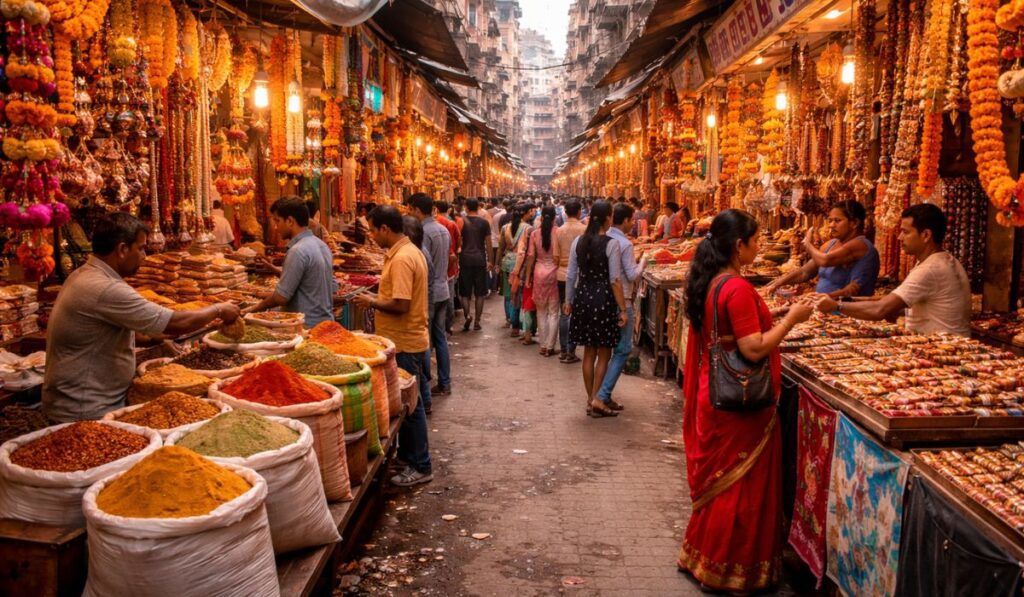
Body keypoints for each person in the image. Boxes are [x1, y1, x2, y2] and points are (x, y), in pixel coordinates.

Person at [677, 209, 814, 592]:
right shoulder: (736, 288)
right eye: (756, 241)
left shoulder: (714, 282)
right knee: (739, 486)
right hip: (739, 403)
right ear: (740, 246)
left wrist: (775, 315)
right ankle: (730, 568)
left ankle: (704, 559)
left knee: (723, 484)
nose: (759, 246)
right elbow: (753, 348)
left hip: (715, 393)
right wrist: (791, 321)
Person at [44, 213, 241, 422]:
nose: (145, 256)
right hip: (86, 408)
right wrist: (219, 309)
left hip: (89, 399)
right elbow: (176, 323)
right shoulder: (105, 288)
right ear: (122, 249)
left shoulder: (84, 274)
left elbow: (101, 330)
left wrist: (152, 338)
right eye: (140, 248)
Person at [353, 206, 432, 486]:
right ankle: (411, 457)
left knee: (411, 407)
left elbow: (401, 305)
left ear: (385, 228)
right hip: (409, 339)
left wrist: (371, 301)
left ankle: (420, 465)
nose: (372, 236)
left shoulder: (402, 259)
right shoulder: (407, 252)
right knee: (412, 403)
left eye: (373, 230)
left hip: (405, 342)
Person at [814, 203, 971, 336]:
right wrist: (839, 300)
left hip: (941, 350)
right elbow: (891, 303)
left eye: (906, 232)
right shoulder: (943, 260)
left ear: (926, 235)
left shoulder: (931, 269)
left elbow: (880, 309)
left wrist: (836, 306)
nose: (899, 238)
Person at [564, 201, 628, 418]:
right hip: (603, 299)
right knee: (604, 352)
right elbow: (615, 280)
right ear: (608, 218)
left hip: (583, 297)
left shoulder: (577, 243)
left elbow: (571, 274)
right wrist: (623, 309)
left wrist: (568, 300)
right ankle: (597, 399)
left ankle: (590, 399)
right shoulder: (611, 244)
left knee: (588, 352)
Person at [764, 200, 880, 299]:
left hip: (848, 310)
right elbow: (805, 272)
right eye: (830, 220)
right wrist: (777, 283)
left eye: (837, 221)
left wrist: (808, 244)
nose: (831, 225)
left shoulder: (860, 244)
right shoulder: (830, 244)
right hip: (825, 307)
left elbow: (825, 261)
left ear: (854, 223)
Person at [253, 196, 337, 327]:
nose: (276, 227)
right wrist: (270, 267)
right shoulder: (322, 246)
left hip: (306, 326)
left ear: (290, 221)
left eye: (277, 221)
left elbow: (281, 297)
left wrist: (254, 309)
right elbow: (328, 286)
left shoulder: (297, 250)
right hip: (325, 323)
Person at [595, 203, 648, 408]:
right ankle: (602, 395)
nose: (632, 223)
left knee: (605, 349)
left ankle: (600, 395)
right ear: (625, 220)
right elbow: (631, 274)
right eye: (631, 219)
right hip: (621, 300)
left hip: (603, 300)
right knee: (623, 349)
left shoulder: (603, 238)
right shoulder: (624, 244)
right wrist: (643, 261)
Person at [408, 193, 452, 399]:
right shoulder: (443, 229)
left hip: (430, 292)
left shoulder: (423, 232)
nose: (409, 213)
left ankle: (425, 387)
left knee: (423, 339)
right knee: (440, 338)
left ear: (417, 210)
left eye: (410, 210)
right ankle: (445, 381)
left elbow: (425, 264)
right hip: (444, 288)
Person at [525, 205, 560, 356]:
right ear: (554, 218)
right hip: (554, 272)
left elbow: (531, 256)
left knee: (541, 312)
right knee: (553, 312)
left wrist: (527, 277)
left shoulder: (535, 234)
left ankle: (543, 345)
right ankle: (550, 346)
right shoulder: (558, 232)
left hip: (538, 273)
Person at [556, 200, 586, 364]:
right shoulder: (584, 230)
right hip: (580, 276)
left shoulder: (559, 231)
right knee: (576, 313)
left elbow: (555, 256)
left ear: (566, 212)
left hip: (561, 274)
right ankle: (571, 350)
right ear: (579, 212)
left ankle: (563, 349)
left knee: (564, 311)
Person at [459, 198, 492, 331]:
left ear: (466, 207)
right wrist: (491, 260)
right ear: (478, 207)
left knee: (464, 293)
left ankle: (468, 315)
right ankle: (477, 321)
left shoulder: (461, 222)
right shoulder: (484, 223)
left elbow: (459, 242)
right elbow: (488, 243)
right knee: (480, 293)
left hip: (465, 259)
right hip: (480, 259)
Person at [510, 203, 539, 344]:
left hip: (522, 270)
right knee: (531, 301)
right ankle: (530, 330)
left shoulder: (507, 227)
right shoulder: (529, 230)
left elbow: (521, 254)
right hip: (534, 270)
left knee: (522, 300)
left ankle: (521, 328)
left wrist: (516, 271)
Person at [498, 205, 529, 334]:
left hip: (507, 262)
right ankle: (519, 322)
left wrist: (497, 263)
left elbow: (501, 247)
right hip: (521, 265)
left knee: (507, 293)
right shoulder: (527, 228)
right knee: (519, 294)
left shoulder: (505, 228)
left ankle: (509, 318)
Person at [435, 201, 461, 335]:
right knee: (449, 296)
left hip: (439, 269)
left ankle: (442, 328)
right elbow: (457, 246)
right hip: (449, 268)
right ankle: (447, 327)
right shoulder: (451, 224)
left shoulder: (434, 225)